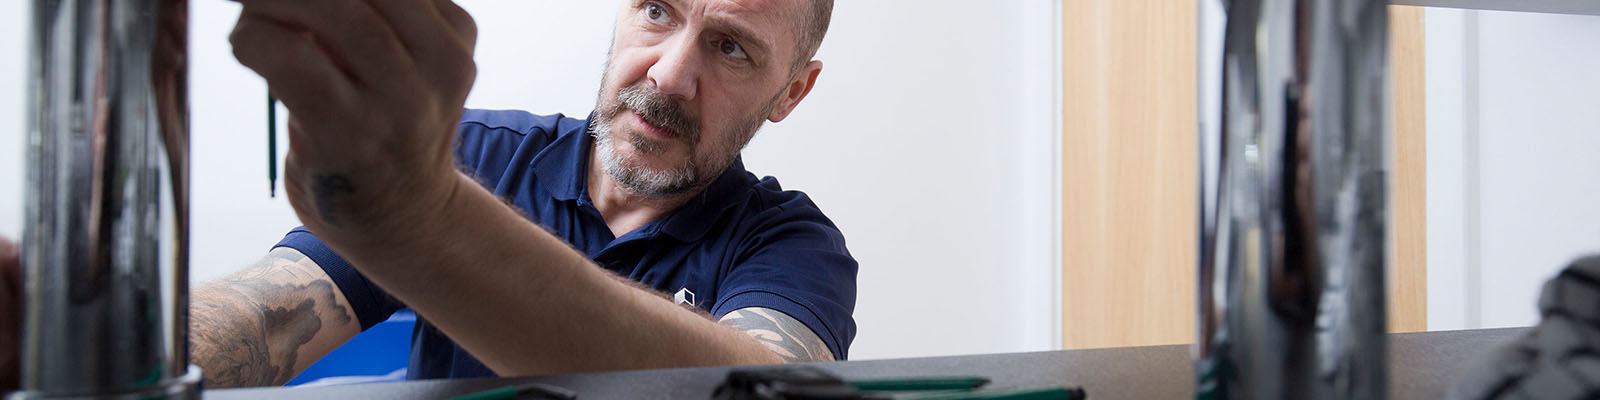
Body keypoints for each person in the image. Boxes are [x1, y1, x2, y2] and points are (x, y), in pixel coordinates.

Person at [0, 0, 854, 388]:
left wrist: (425, 222)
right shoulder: (468, 152)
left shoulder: (790, 244)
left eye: (732, 49)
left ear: (793, 92)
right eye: (658, 12)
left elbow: (768, 388)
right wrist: (84, 340)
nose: (669, 75)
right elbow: (269, 315)